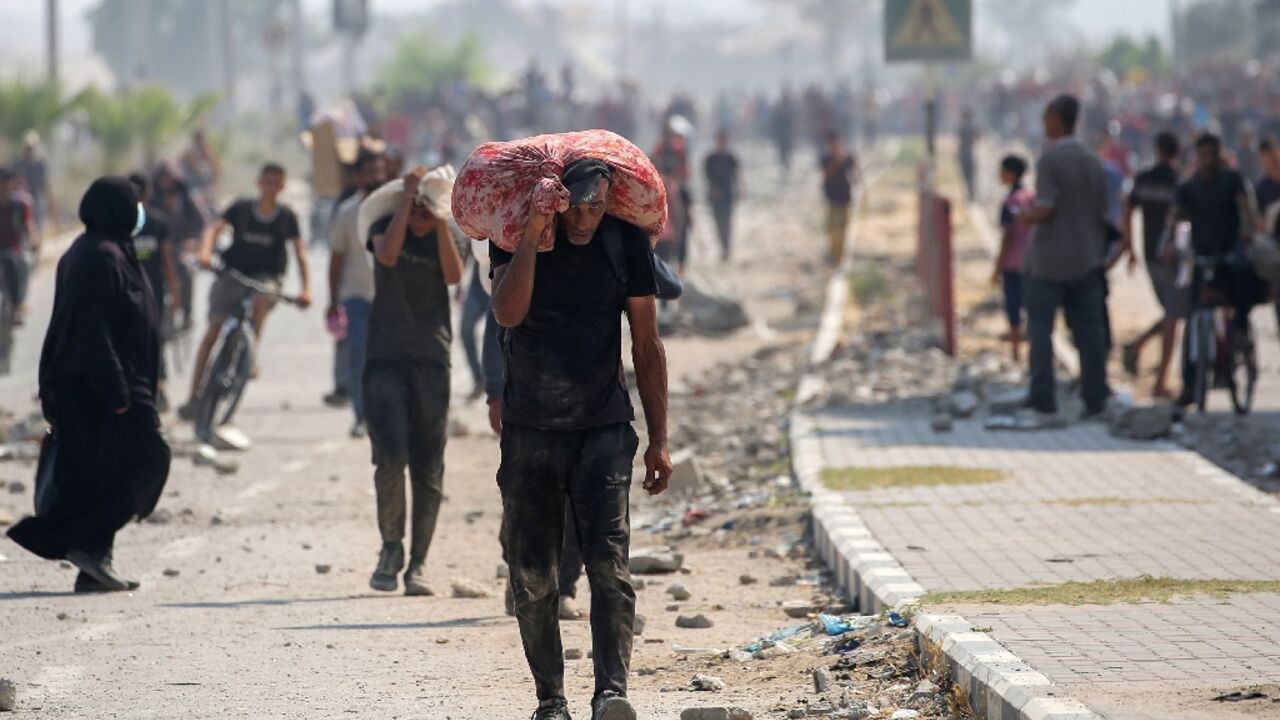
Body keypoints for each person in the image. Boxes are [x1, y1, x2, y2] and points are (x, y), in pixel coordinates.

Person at [489, 158, 673, 720]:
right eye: (577, 209)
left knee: (609, 570)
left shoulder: (624, 245)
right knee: (533, 576)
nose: (585, 221)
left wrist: (659, 439)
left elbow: (646, 345)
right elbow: (507, 312)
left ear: (610, 201)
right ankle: (551, 700)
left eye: (596, 208)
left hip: (602, 428)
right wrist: (531, 235)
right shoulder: (514, 235)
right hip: (531, 431)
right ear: (559, 201)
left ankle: (611, 693)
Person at [6, 177, 170, 592]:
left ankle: (94, 562)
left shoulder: (108, 249)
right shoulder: (99, 256)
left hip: (106, 384)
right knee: (148, 460)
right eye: (132, 204)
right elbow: (92, 332)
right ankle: (73, 540)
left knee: (101, 474)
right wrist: (117, 392)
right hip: (98, 388)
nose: (139, 212)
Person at [363, 166, 463, 595]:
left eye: (428, 208)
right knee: (389, 460)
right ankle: (391, 548)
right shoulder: (386, 227)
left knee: (428, 468)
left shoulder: (443, 234)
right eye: (418, 208)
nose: (421, 215)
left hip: (431, 361)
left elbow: (455, 275)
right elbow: (386, 256)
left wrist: (439, 216)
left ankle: (418, 563)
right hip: (385, 359)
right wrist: (407, 199)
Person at [180, 163, 312, 419]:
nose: (270, 188)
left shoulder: (286, 217)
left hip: (266, 278)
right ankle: (193, 397)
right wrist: (205, 252)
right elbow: (213, 228)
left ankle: (250, 353)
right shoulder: (241, 209)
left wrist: (305, 289)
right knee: (213, 330)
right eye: (267, 182)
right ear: (258, 182)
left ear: (282, 187)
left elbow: (301, 254)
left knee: (261, 299)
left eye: (276, 183)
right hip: (232, 274)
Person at [1021, 95, 1112, 423]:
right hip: (1086, 258)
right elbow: (1103, 213)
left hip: (1048, 262)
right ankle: (1096, 398)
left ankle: (1043, 400)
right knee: (1090, 334)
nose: (1044, 125)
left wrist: (1027, 216)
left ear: (1057, 120)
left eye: (1046, 118)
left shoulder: (1049, 160)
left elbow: (1046, 207)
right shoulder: (1092, 160)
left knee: (1041, 331)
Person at [1170, 133, 1263, 406]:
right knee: (1194, 317)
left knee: (1240, 297)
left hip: (1230, 255)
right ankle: (1189, 384)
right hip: (1201, 257)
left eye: (1211, 155)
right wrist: (1169, 243)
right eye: (1202, 155)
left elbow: (1248, 210)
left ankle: (1241, 337)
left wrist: (1247, 231)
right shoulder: (1189, 187)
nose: (1206, 161)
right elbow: (1175, 218)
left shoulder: (1232, 180)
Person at [1118, 132, 1185, 399]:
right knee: (1173, 314)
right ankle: (1160, 381)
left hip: (1150, 255)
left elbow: (1127, 211)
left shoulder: (1143, 179)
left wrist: (1130, 247)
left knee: (1173, 312)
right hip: (1173, 257)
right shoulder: (1179, 183)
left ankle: (1137, 346)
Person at [327, 150, 385, 438]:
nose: (375, 177)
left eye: (379, 170)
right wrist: (332, 301)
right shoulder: (347, 212)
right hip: (356, 296)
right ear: (358, 176)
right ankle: (362, 416)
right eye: (369, 172)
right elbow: (336, 259)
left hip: (389, 296)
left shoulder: (394, 207)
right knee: (358, 356)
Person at [128, 174, 181, 412]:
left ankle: (158, 387)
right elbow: (168, 262)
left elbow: (167, 260)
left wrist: (175, 293)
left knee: (154, 340)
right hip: (135, 292)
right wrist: (176, 293)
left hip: (149, 293)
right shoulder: (122, 222)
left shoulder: (157, 223)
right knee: (151, 340)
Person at [991, 155, 1034, 362]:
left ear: (1010, 173)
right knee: (1035, 310)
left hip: (1013, 264)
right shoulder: (1032, 196)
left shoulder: (1009, 203)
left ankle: (1016, 353)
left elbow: (1008, 238)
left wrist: (997, 268)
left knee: (1014, 311)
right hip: (1035, 264)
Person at [0, 167, 38, 324]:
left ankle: (17, 306)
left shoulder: (20, 205)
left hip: (14, 250)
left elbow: (29, 226)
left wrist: (33, 240)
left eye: (6, 184)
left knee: (14, 264)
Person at [820, 131, 860, 265]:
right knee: (834, 229)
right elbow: (825, 175)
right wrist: (836, 162)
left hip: (845, 197)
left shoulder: (847, 156)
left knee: (844, 227)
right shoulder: (826, 158)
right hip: (832, 198)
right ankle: (835, 254)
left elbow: (855, 174)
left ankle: (841, 255)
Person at [704, 129, 741, 261]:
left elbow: (737, 175)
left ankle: (726, 248)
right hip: (715, 196)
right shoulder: (710, 158)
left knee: (727, 222)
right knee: (718, 222)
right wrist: (713, 190)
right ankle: (722, 246)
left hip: (728, 194)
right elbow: (707, 177)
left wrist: (740, 190)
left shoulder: (731, 157)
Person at [14, 133, 54, 233]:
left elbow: (44, 183)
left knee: (38, 225)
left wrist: (50, 200)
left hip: (36, 199)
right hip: (22, 199)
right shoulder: (18, 164)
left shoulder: (39, 164)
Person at [958, 108, 979, 202]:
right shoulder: (970, 128)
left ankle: (970, 195)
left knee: (968, 177)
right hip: (968, 154)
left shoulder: (963, 128)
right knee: (969, 177)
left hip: (966, 154)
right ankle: (970, 195)